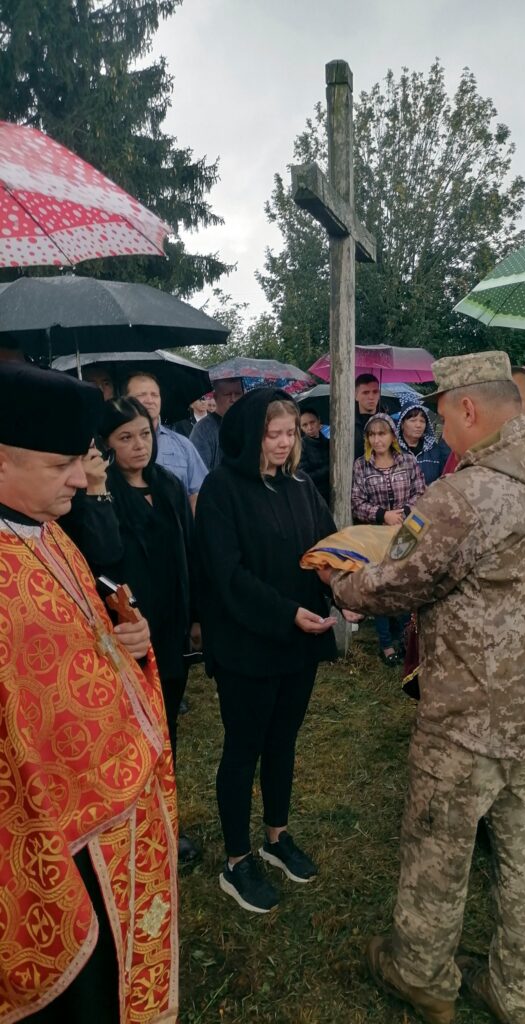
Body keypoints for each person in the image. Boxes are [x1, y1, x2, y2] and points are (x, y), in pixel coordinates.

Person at [326, 352, 525, 1024]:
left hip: (468, 719)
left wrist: (340, 582)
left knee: (438, 849)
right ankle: (518, 988)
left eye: (442, 414)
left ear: (469, 409)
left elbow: (395, 580)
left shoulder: (462, 495)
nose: (439, 429)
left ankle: (422, 974)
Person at [0, 363, 177, 1023]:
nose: (81, 477)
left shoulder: (46, 530)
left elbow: (86, 636)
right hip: (44, 845)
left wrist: (129, 639)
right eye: (61, 465)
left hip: (101, 827)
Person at [195, 388, 341, 914]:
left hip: (299, 644)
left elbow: (325, 549)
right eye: (271, 435)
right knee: (244, 749)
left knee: (284, 741)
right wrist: (284, 613)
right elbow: (226, 573)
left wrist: (344, 587)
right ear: (248, 436)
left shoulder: (301, 486)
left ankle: (276, 837)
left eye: (288, 434)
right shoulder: (221, 489)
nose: (282, 444)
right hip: (247, 646)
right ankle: (236, 861)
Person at [97, 398, 198, 791]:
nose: (139, 444)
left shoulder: (168, 484)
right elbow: (102, 561)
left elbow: (190, 550)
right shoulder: (100, 494)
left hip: (172, 625)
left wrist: (196, 615)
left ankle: (168, 805)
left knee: (167, 719)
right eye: (125, 437)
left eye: (144, 434)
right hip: (128, 631)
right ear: (106, 443)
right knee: (132, 725)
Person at [352, 412, 425, 666]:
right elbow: (356, 501)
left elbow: (421, 492)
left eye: (382, 433)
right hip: (376, 534)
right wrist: (382, 515)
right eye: (372, 434)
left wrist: (403, 513)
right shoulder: (361, 465)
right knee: (380, 585)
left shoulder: (407, 461)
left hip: (405, 532)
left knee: (403, 584)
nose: (377, 439)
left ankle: (406, 637)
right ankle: (385, 644)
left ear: (392, 435)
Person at [124, 371, 207, 512]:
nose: (149, 400)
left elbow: (197, 493)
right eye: (141, 395)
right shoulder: (116, 446)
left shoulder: (183, 445)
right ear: (125, 400)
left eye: (154, 395)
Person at [190, 377, 244, 470]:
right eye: (228, 394)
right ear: (215, 397)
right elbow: (198, 473)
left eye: (238, 394)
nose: (233, 399)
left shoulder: (249, 425)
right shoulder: (202, 430)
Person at [396, 402, 451, 484]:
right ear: (402, 424)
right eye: (413, 420)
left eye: (422, 421)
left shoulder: (435, 450)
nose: (418, 425)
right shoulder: (393, 451)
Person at [299, 406, 331, 503]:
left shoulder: (330, 443)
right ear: (301, 428)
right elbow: (304, 476)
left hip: (334, 493)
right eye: (305, 425)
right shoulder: (300, 447)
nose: (310, 427)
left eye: (312, 422)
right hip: (315, 497)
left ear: (319, 421)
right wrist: (330, 469)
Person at [354, 372, 381, 459]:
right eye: (365, 393)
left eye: (375, 392)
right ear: (355, 395)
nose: (371, 397)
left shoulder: (387, 423)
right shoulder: (347, 424)